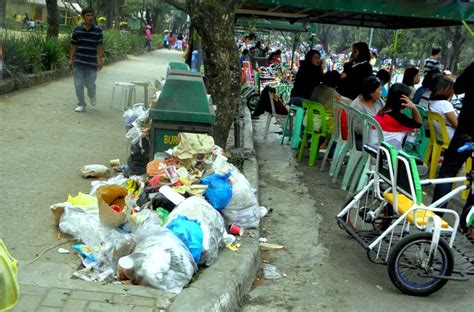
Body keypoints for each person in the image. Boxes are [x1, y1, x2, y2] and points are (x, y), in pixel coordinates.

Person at [431, 61, 474, 231]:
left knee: (448, 171)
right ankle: (467, 223)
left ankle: (435, 216)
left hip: (466, 128)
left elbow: (458, 88)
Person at [68, 7, 103, 113]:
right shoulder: (77, 30)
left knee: (90, 84)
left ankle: (92, 95)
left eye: (92, 15)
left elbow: (100, 46)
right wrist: (71, 59)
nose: (90, 17)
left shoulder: (98, 31)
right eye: (88, 15)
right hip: (79, 62)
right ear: (83, 17)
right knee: (78, 84)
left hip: (91, 63)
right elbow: (73, 46)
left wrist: (100, 60)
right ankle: (81, 104)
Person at [373, 83, 421, 149]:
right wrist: (414, 107)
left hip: (373, 147)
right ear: (403, 99)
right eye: (409, 97)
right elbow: (418, 124)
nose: (410, 99)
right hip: (385, 153)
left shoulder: (382, 111)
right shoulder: (398, 118)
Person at [351, 76, 385, 149]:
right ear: (371, 92)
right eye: (379, 90)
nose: (381, 92)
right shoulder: (357, 107)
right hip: (362, 140)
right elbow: (360, 131)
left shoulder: (379, 101)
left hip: (377, 136)